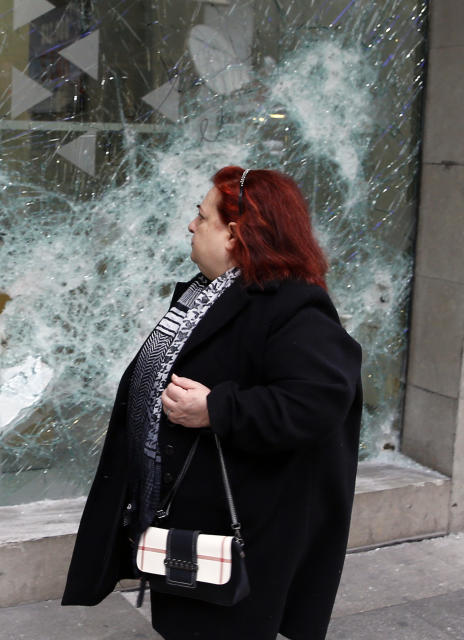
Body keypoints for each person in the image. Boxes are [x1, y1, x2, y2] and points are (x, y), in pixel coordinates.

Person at [61, 166, 363, 640]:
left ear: (235, 233)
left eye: (201, 216)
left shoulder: (292, 304)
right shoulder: (209, 294)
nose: (191, 225)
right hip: (189, 512)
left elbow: (320, 400)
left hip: (242, 525)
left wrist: (217, 409)